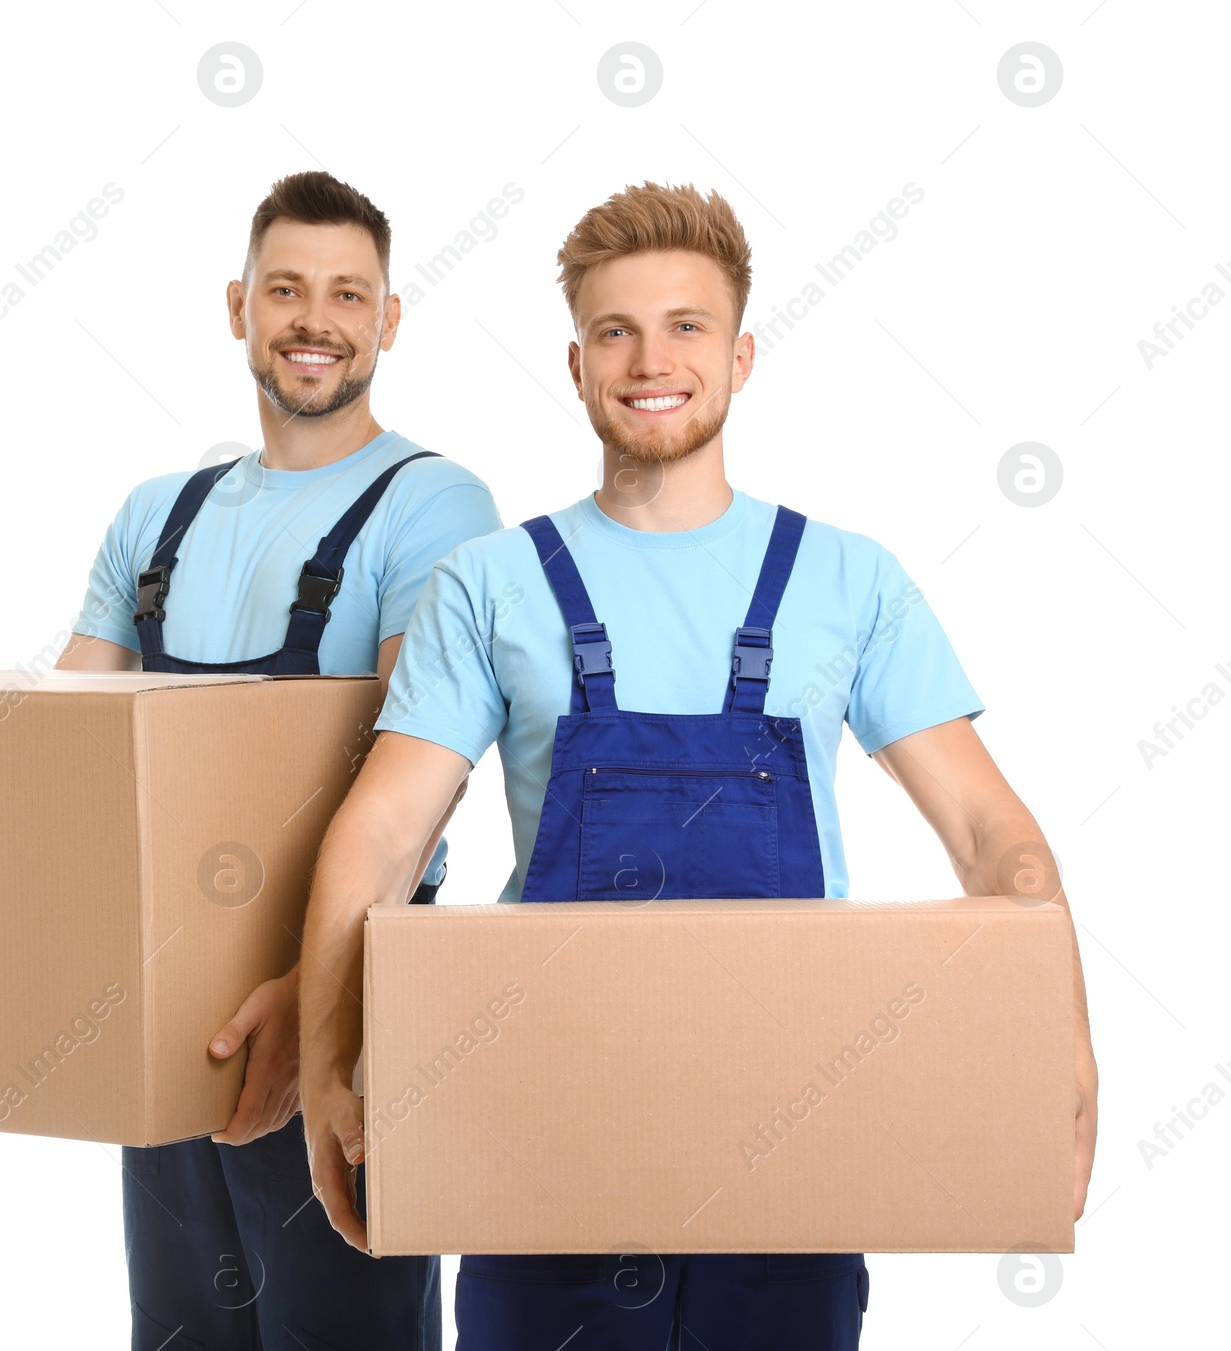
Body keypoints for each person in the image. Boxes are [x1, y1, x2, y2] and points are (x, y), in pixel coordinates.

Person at [297, 180, 1099, 1350]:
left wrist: (1059, 1033)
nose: (648, 358)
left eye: (685, 325)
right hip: (540, 1141)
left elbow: (991, 834)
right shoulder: (490, 583)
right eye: (613, 330)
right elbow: (379, 836)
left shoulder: (847, 581)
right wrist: (329, 1067)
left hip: (793, 1150)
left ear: (741, 357)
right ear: (575, 366)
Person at [58, 170, 502, 1351]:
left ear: (388, 320)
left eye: (348, 294)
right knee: (179, 1333)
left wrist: (322, 1016)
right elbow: (62, 754)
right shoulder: (156, 515)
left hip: (345, 1008)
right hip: (161, 1018)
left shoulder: (435, 508)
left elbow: (423, 775)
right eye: (288, 289)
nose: (317, 319)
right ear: (238, 306)